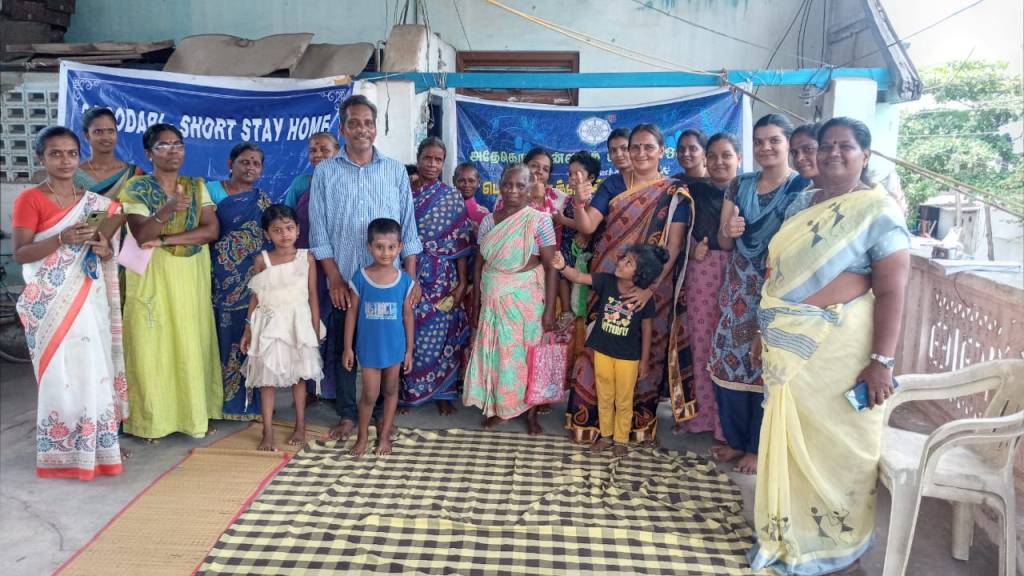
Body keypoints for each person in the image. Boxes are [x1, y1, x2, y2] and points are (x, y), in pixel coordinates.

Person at [749, 117, 910, 575]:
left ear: (866, 155)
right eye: (825, 146)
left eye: (846, 146)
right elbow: (778, 271)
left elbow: (893, 289)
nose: (833, 153)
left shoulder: (878, 210)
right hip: (787, 341)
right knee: (790, 437)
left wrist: (882, 362)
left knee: (839, 444)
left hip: (841, 348)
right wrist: (763, 329)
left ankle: (837, 544)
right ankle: (787, 532)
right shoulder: (803, 203)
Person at [566, 124, 694, 444]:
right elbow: (588, 226)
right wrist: (579, 202)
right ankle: (591, 420)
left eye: (648, 147)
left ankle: (636, 424)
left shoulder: (673, 193)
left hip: (651, 288)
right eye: (634, 147)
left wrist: (649, 288)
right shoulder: (612, 184)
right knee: (598, 348)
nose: (640, 153)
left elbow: (674, 245)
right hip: (609, 280)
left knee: (642, 350)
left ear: (661, 151)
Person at [13, 126, 128, 479]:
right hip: (49, 301)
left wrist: (103, 249)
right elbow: (21, 253)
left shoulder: (93, 204)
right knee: (61, 374)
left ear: (80, 157)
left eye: (71, 153)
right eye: (55, 154)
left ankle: (98, 446)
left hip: (87, 299)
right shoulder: (30, 199)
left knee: (93, 368)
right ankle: (63, 451)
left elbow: (103, 249)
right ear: (41, 158)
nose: (65, 161)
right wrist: (61, 238)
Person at [308, 94, 422, 443]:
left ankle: (381, 418)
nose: (362, 129)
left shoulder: (394, 170)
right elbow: (319, 231)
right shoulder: (325, 172)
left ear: (375, 129)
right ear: (342, 129)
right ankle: (347, 415)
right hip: (346, 282)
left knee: (387, 350)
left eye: (368, 123)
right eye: (354, 123)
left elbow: (409, 229)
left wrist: (411, 279)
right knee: (344, 350)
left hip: (389, 285)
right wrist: (334, 278)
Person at [707, 114, 810, 474]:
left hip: (777, 289)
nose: (766, 147)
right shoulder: (741, 184)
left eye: (774, 140)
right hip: (738, 288)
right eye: (759, 141)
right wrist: (729, 229)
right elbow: (724, 242)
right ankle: (736, 441)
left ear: (788, 144)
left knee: (766, 365)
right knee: (727, 361)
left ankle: (758, 446)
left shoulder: (802, 187)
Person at [120, 123, 222, 440]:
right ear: (149, 153)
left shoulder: (195, 186)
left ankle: (194, 415)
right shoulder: (136, 188)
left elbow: (211, 231)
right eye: (164, 145)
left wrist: (165, 239)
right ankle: (152, 421)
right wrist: (165, 211)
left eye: (178, 144)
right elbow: (142, 234)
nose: (173, 150)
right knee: (153, 343)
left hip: (190, 273)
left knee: (191, 341)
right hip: (153, 275)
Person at [463, 163, 557, 434]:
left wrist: (549, 311)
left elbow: (551, 268)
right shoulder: (489, 221)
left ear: (530, 189)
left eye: (520, 185)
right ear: (500, 186)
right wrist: (476, 304)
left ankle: (531, 414)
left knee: (528, 355)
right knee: (496, 353)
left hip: (525, 299)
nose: (513, 190)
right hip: (493, 297)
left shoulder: (540, 221)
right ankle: (498, 408)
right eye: (507, 184)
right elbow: (479, 264)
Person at [553, 244, 665, 457]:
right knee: (604, 396)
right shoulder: (606, 281)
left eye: (628, 262)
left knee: (623, 400)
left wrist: (644, 361)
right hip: (602, 352)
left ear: (640, 274)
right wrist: (562, 267)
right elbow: (579, 277)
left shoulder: (643, 298)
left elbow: (647, 329)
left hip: (628, 357)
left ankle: (621, 439)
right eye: (624, 258)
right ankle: (606, 436)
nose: (621, 262)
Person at [239, 204, 323, 451]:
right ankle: (267, 430)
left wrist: (314, 328)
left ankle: (300, 425)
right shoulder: (262, 260)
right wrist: (248, 328)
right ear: (267, 234)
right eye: (277, 230)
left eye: (289, 228)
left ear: (298, 229)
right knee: (267, 379)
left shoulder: (306, 258)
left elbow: (312, 294)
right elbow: (256, 296)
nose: (284, 234)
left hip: (298, 323)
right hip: (270, 324)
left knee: (299, 376)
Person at [677, 132, 742, 441]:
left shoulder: (750, 189)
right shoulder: (691, 190)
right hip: (702, 272)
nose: (719, 162)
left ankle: (729, 427)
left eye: (726, 155)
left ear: (739, 158)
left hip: (742, 272)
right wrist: (691, 248)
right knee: (701, 343)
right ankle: (701, 418)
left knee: (735, 346)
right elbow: (675, 229)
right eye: (713, 156)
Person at [401, 137, 472, 415]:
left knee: (444, 333)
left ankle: (444, 392)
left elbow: (461, 241)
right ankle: (408, 394)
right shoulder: (404, 193)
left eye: (438, 160)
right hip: (410, 270)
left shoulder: (451, 196)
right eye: (427, 158)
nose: (432, 164)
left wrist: (462, 283)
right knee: (411, 333)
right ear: (418, 158)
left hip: (443, 276)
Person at [209, 142, 272, 420]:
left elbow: (270, 238)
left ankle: (249, 405)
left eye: (256, 163)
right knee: (218, 336)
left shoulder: (262, 200)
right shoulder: (211, 191)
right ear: (230, 164)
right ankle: (216, 403)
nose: (250, 168)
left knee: (250, 334)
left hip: (252, 279)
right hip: (217, 278)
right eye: (244, 161)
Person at [343, 218, 414, 457]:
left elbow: (408, 316)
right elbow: (352, 313)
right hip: (369, 349)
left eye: (391, 247)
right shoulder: (361, 277)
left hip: (394, 348)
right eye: (380, 247)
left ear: (400, 247)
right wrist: (348, 347)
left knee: (391, 390)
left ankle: (384, 436)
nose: (386, 253)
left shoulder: (404, 281)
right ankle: (362, 437)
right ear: (369, 247)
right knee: (369, 394)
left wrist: (409, 351)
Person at [284, 132, 341, 403]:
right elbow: (287, 220)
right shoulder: (300, 183)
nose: (317, 154)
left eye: (324, 149)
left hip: (336, 264)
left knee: (334, 323)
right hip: (306, 264)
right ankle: (308, 387)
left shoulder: (344, 183)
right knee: (307, 322)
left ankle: (331, 387)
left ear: (337, 152)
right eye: (313, 150)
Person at [552, 151, 601, 325]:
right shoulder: (569, 199)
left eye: (577, 174)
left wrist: (563, 220)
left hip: (579, 249)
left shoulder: (590, 199)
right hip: (566, 246)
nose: (572, 178)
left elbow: (589, 225)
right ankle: (567, 311)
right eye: (570, 174)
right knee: (562, 276)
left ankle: (576, 314)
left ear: (591, 177)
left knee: (573, 280)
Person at [74, 107, 143, 197]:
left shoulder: (132, 173)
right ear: (87, 135)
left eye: (111, 131)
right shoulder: (75, 176)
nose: (106, 137)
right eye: (98, 131)